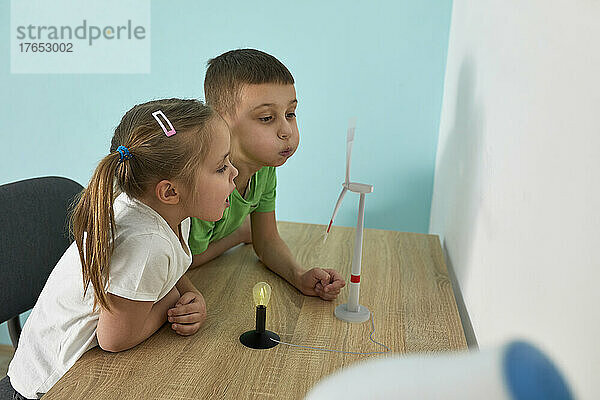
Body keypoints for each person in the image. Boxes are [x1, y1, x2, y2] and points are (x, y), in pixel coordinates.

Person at [3, 99, 237, 399]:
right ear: (169, 191)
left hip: (69, 370)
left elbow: (172, 269)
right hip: (50, 386)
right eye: (220, 167)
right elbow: (114, 338)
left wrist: (190, 293)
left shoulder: (172, 213)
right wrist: (173, 302)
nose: (234, 172)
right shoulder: (146, 244)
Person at [188, 49, 346, 301]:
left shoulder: (264, 168)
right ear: (221, 119)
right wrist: (239, 235)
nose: (286, 131)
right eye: (266, 118)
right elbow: (185, 260)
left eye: (290, 114)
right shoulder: (202, 177)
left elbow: (267, 240)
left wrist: (299, 275)